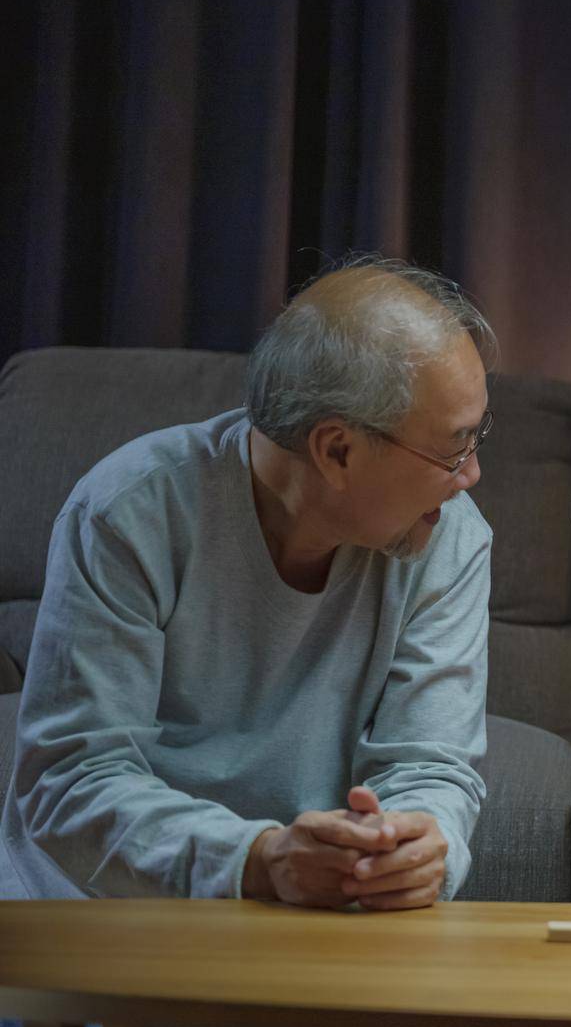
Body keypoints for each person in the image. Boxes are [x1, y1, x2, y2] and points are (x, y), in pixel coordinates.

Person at [1, 256, 496, 912]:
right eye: (453, 449)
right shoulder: (129, 512)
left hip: (307, 920)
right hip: (99, 918)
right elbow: (69, 783)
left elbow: (432, 766)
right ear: (337, 451)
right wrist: (257, 859)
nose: (473, 474)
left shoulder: (450, 534)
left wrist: (419, 845)